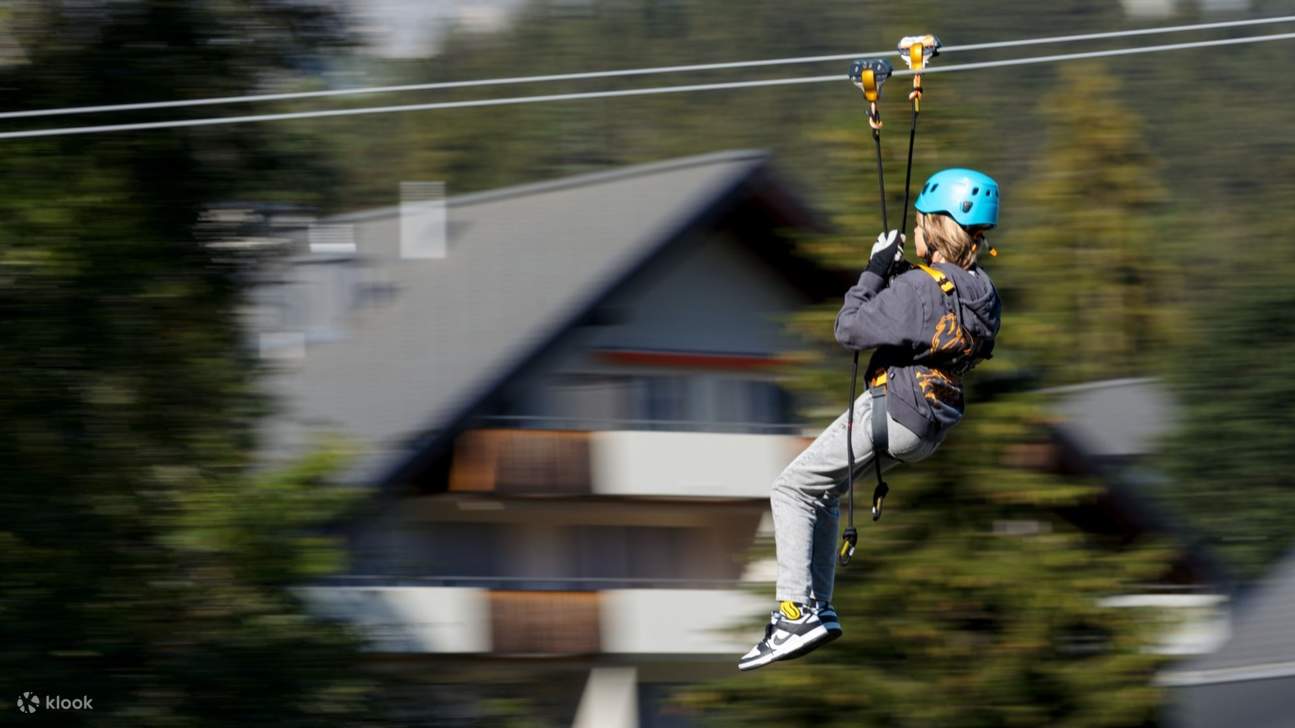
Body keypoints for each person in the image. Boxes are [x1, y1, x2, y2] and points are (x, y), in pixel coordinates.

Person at [739, 168, 1003, 671]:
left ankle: (796, 611)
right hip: (930, 422)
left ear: (938, 225)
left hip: (893, 406)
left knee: (791, 489)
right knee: (823, 490)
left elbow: (849, 329)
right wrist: (905, 279)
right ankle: (819, 609)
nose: (918, 229)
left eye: (923, 222)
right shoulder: (984, 293)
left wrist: (875, 270)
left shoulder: (918, 291)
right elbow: (933, 320)